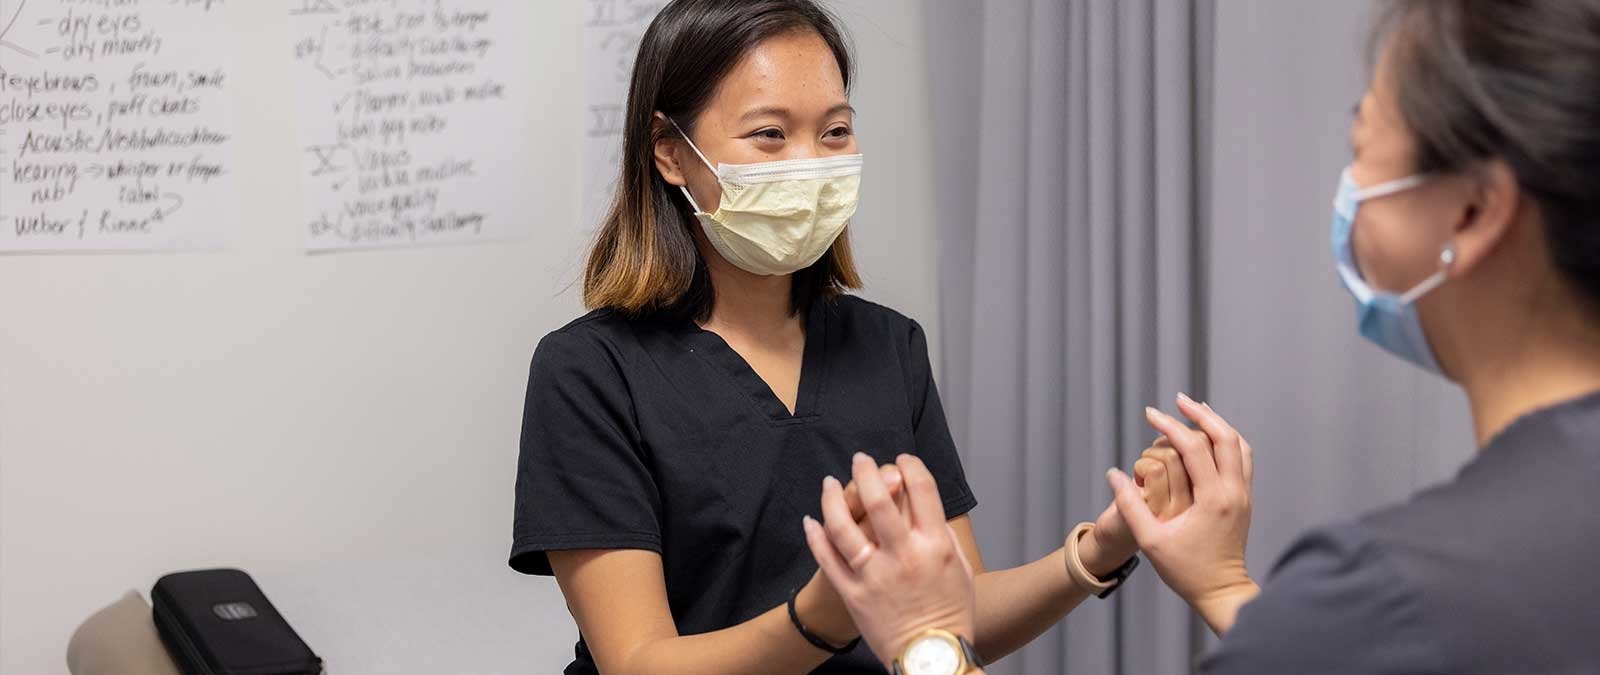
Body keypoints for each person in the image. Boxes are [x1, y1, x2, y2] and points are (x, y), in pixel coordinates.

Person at [805, 1, 1600, 672]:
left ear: (1473, 211)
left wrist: (924, 644)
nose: (1350, 191)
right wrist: (1223, 586)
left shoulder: (1384, 589)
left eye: (1364, 152)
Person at [508, 1, 1184, 673]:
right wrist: (821, 618)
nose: (809, 164)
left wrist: (1101, 547)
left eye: (834, 133)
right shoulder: (592, 371)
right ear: (669, 152)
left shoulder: (889, 346)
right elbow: (638, 661)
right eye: (770, 134)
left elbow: (955, 615)